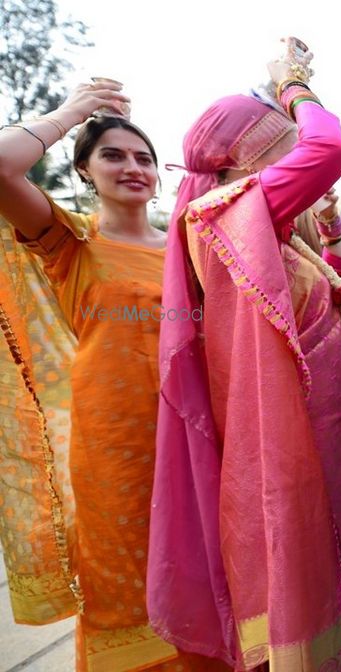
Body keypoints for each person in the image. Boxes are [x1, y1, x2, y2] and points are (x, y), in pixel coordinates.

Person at [148, 45, 341, 671]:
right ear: (248, 158)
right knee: (320, 561)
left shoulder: (266, 225)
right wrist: (292, 82)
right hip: (299, 440)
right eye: (282, 147)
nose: (298, 161)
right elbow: (332, 150)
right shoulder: (224, 215)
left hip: (333, 434)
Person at [0, 83, 229, 671]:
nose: (133, 167)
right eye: (113, 155)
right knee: (123, 587)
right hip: (115, 449)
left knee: (204, 575)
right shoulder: (70, 240)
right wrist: (74, 114)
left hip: (193, 441)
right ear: (83, 170)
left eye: (144, 158)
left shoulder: (189, 245)